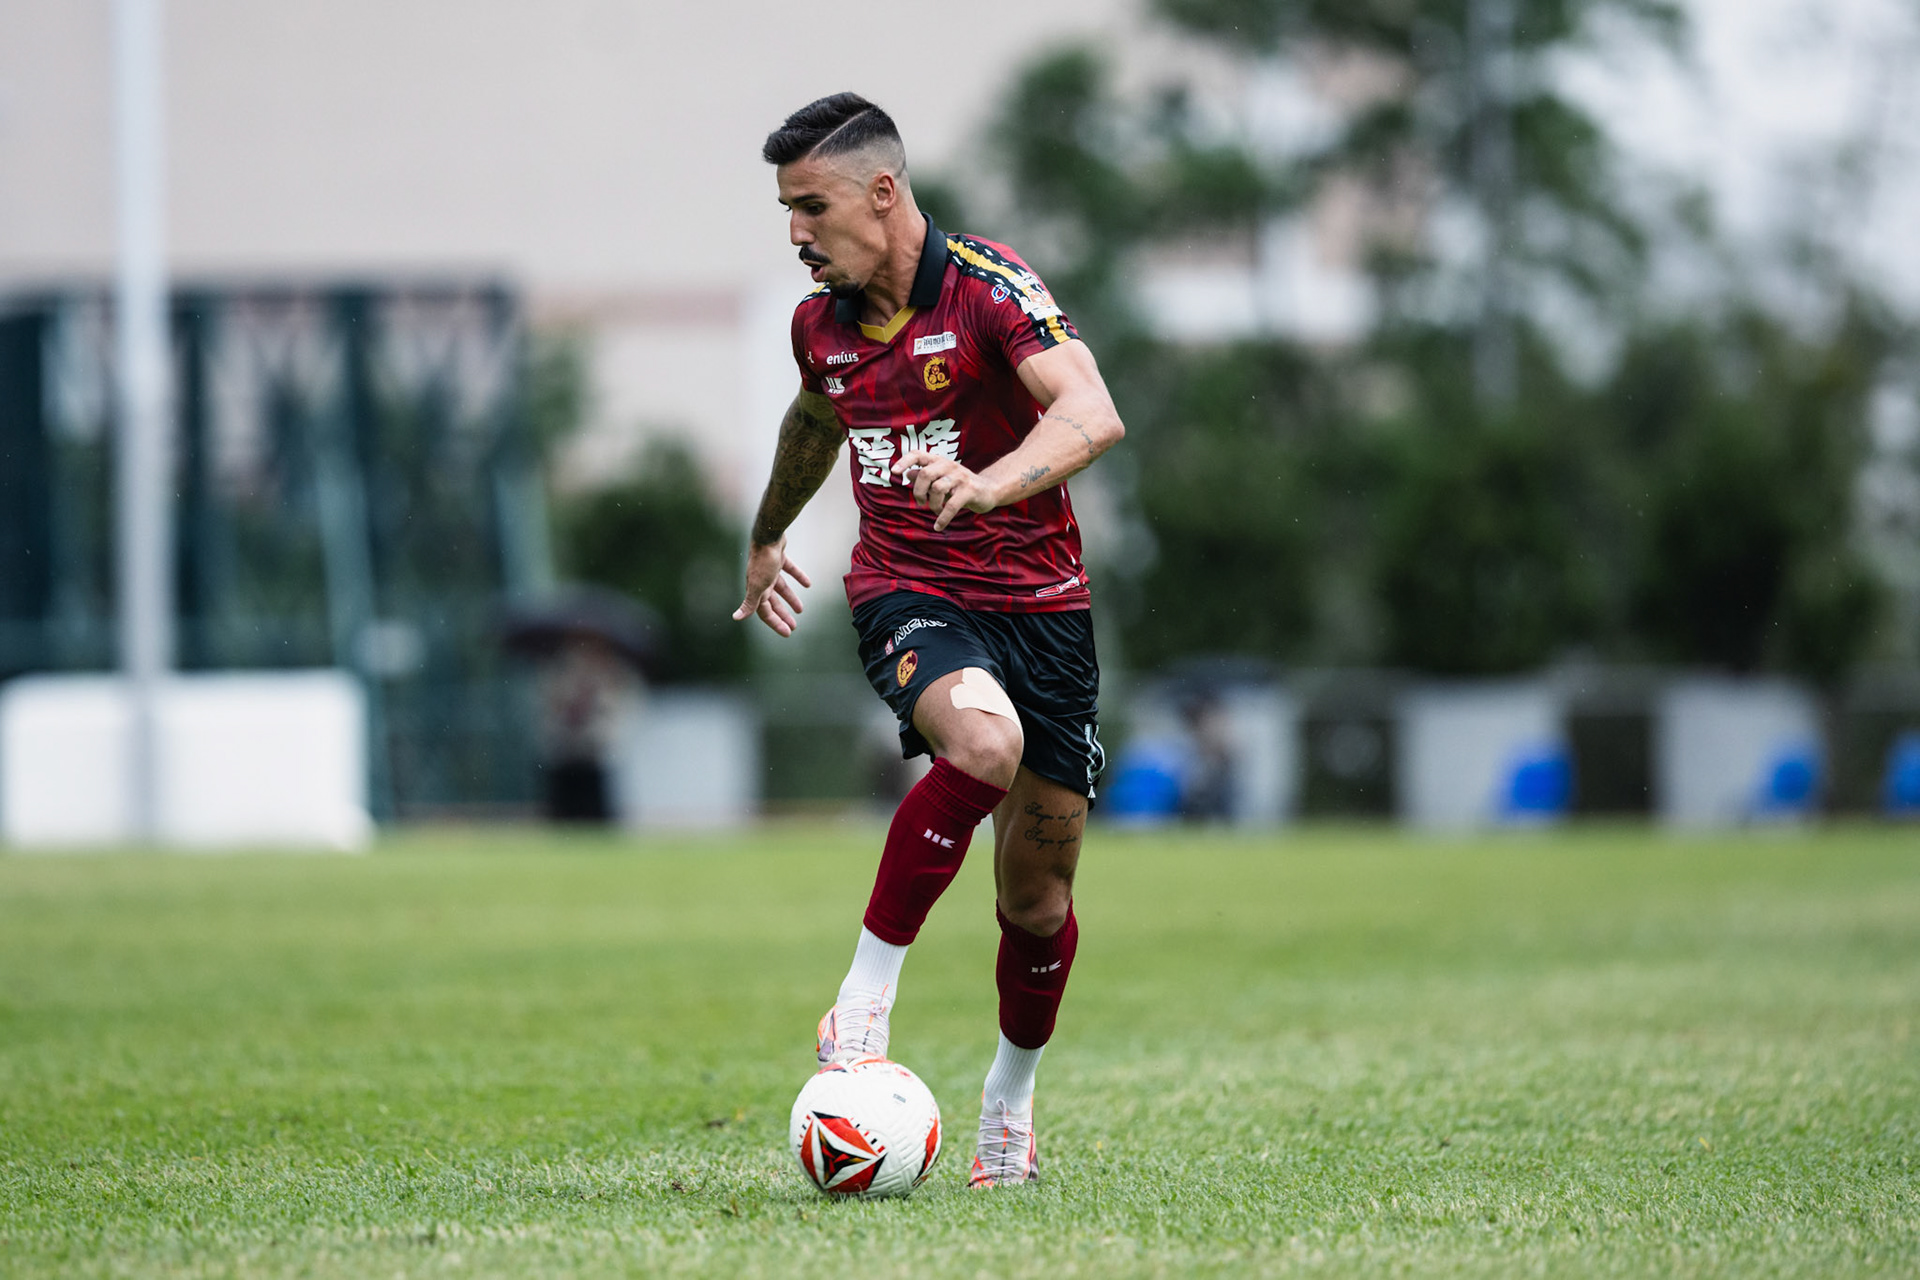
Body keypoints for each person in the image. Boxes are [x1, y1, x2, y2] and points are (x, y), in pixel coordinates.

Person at [733, 93, 1125, 1187]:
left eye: (812, 206)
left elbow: (1091, 413)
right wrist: (766, 536)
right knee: (981, 746)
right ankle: (863, 999)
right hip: (907, 589)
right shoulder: (820, 327)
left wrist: (989, 483)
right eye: (786, 210)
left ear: (883, 193)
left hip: (1045, 610)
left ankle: (1009, 1103)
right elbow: (816, 421)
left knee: (1036, 899)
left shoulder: (990, 287)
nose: (798, 234)